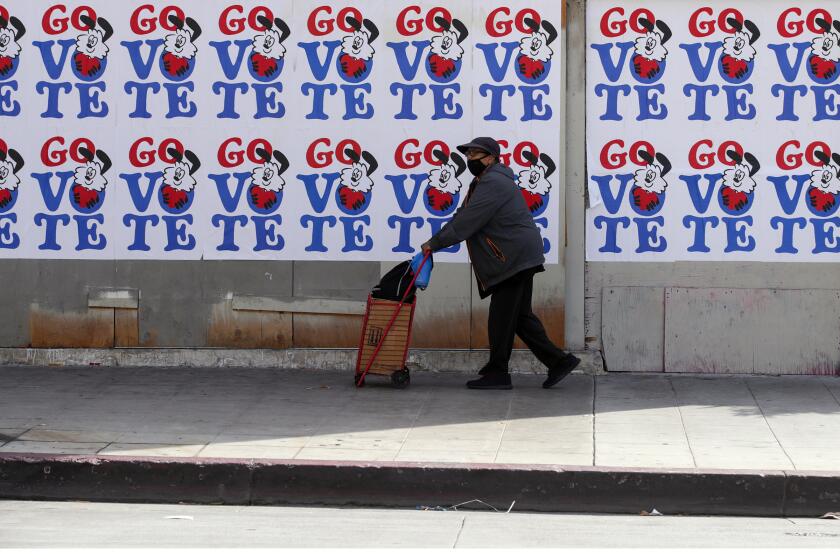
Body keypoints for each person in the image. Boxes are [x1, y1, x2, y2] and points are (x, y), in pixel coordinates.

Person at [421, 137, 580, 390]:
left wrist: (435, 243)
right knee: (518, 317)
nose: (470, 158)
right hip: (517, 256)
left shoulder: (493, 182)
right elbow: (463, 214)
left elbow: (467, 222)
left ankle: (499, 373)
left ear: (491, 158)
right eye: (469, 154)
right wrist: (437, 239)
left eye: (475, 154)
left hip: (513, 258)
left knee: (501, 318)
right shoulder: (483, 181)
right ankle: (558, 361)